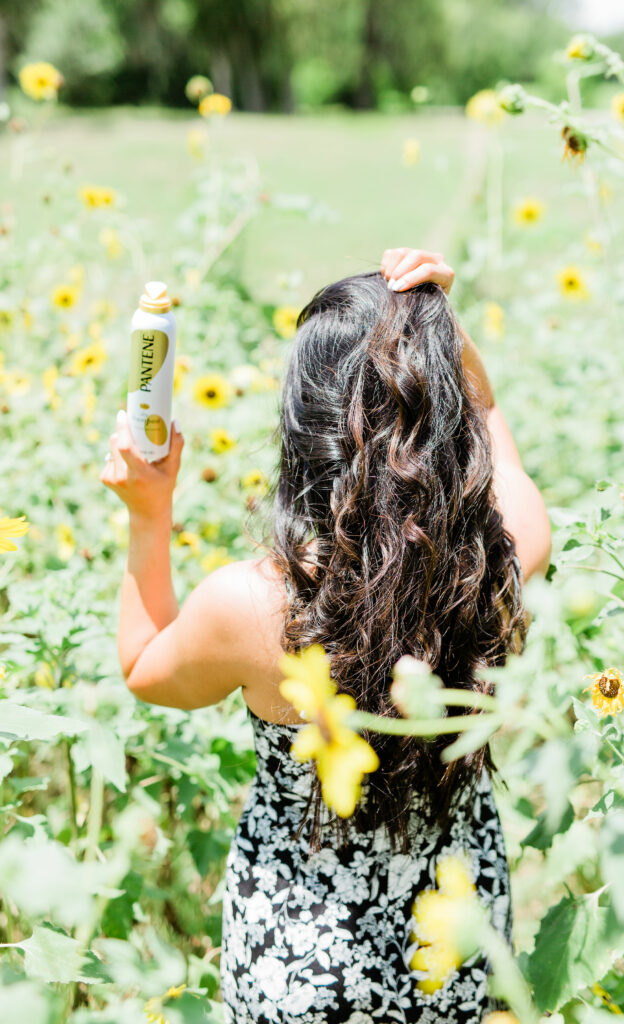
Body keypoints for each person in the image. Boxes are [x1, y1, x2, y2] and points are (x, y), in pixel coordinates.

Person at [100, 246, 552, 1024]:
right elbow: (488, 424)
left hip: (297, 961)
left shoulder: (255, 604)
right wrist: (443, 328)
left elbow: (145, 668)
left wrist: (149, 514)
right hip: (454, 942)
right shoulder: (503, 549)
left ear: (305, 423)